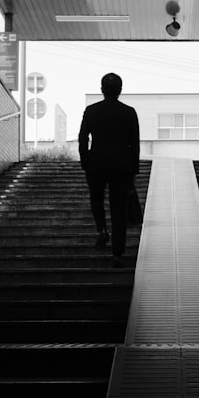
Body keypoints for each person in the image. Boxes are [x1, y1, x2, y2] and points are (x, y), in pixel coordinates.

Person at [78, 72, 141, 268]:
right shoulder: (129, 112)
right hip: (121, 167)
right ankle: (117, 253)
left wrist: (85, 160)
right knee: (118, 209)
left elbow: (82, 137)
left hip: (96, 164)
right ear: (120, 90)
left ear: (102, 90)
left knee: (96, 199)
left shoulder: (91, 111)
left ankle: (102, 230)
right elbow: (134, 143)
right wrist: (133, 169)